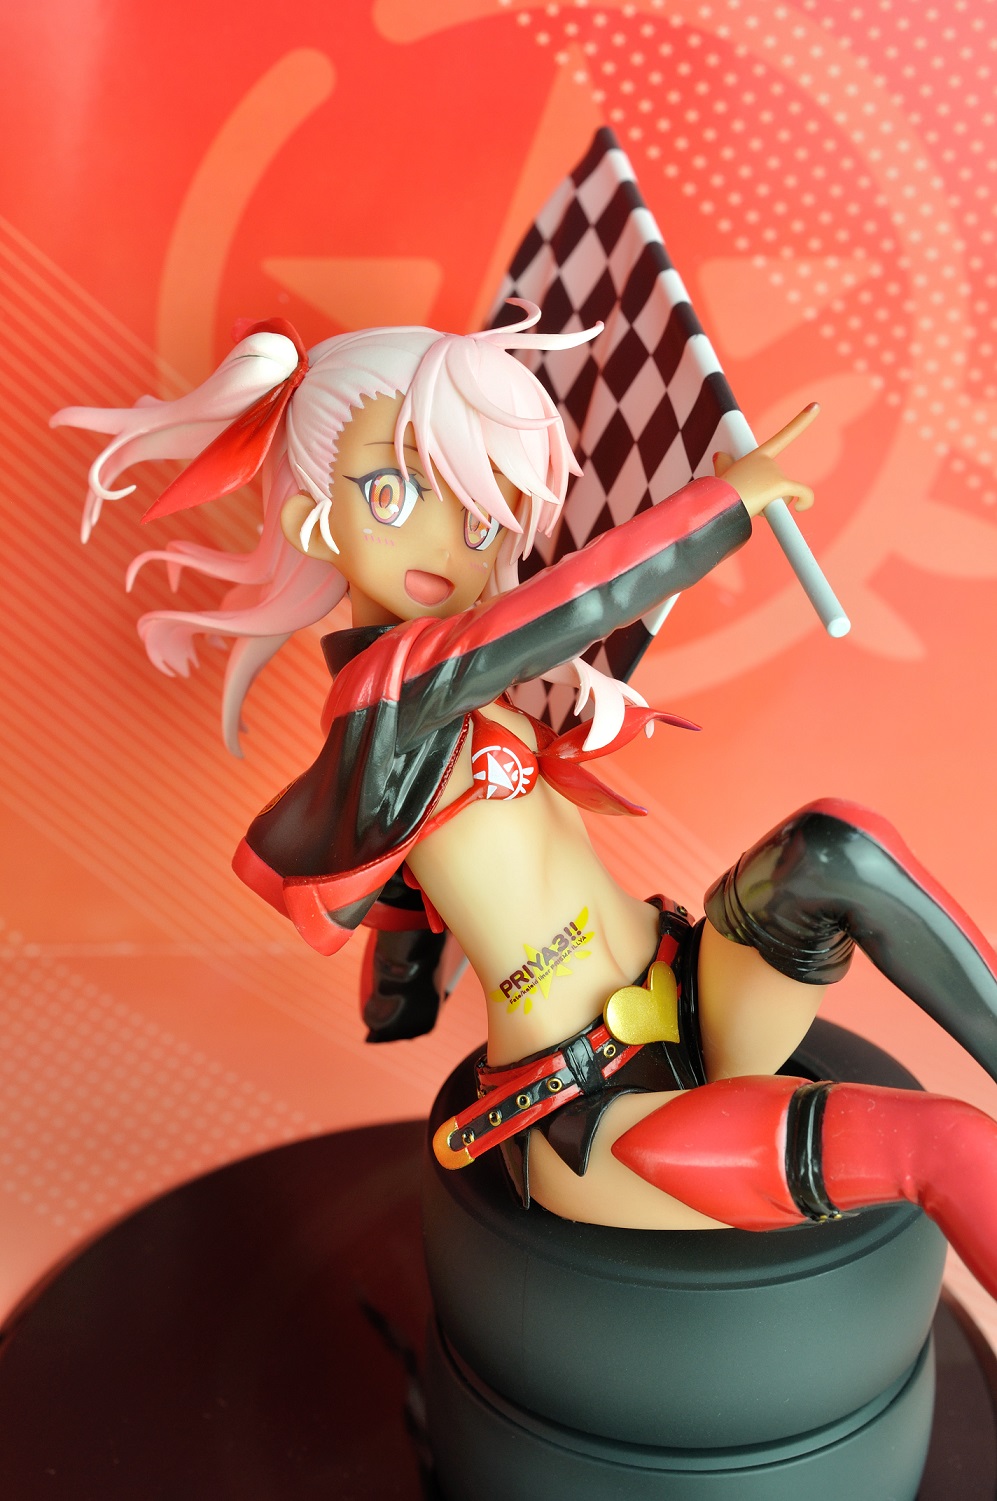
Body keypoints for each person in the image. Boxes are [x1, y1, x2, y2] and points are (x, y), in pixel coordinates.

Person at [53, 305, 997, 1300]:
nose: (448, 540)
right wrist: (727, 501)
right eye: (395, 490)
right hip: (595, 1110)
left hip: (688, 986)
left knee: (835, 844)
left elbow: (407, 885)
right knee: (946, 1141)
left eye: (477, 516)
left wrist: (399, 992)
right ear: (311, 521)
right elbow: (567, 606)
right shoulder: (388, 692)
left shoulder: (441, 712)